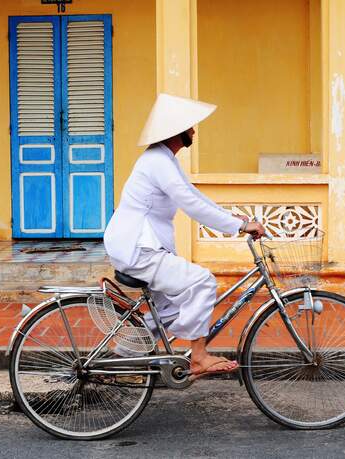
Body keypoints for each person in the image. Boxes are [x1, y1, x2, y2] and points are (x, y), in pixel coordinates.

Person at [103, 93, 265, 380]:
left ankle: (118, 362)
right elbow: (191, 204)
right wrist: (239, 227)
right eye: (189, 126)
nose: (193, 131)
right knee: (202, 282)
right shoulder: (158, 161)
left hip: (139, 246)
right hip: (138, 249)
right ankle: (199, 357)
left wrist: (235, 219)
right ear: (176, 130)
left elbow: (192, 195)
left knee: (170, 311)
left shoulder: (162, 159)